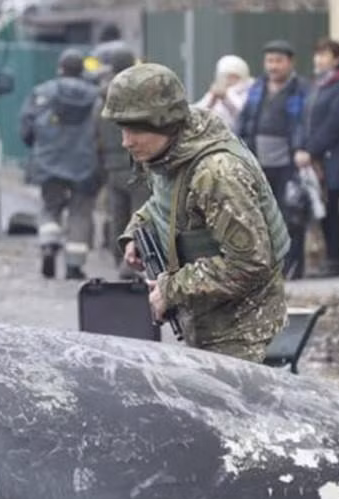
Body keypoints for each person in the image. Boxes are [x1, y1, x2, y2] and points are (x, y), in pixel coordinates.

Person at [103, 62, 291, 363]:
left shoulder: (217, 173)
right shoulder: (170, 154)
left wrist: (171, 289)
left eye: (135, 129)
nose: (126, 141)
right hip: (207, 325)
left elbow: (250, 263)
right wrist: (137, 230)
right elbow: (167, 203)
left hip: (242, 335)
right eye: (122, 129)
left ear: (163, 121)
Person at [19, 48, 102, 280]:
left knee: (50, 206)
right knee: (80, 213)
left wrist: (34, 145)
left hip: (49, 160)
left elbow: (26, 125)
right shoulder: (96, 97)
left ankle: (48, 243)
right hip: (85, 163)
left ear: (60, 68)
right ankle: (74, 265)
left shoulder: (42, 92)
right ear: (82, 70)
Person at [235, 39, 308, 278]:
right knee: (261, 216)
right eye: (269, 61)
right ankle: (268, 267)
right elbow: (245, 120)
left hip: (289, 164)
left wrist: (303, 149)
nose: (273, 66)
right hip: (259, 163)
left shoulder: (301, 90)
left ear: (290, 62)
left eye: (278, 61)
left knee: (291, 216)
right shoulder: (258, 88)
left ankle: (293, 267)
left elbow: (306, 124)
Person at [296, 37, 339, 278]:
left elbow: (335, 123)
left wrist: (311, 150)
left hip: (332, 158)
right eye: (317, 54)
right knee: (319, 210)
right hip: (312, 159)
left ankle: (335, 261)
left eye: (324, 55)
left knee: (331, 209)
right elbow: (305, 120)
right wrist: (302, 148)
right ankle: (324, 259)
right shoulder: (317, 85)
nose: (318, 59)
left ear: (337, 59)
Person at [95, 44, 151, 272]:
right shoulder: (142, 93)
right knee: (140, 215)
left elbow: (95, 132)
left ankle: (119, 261)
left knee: (117, 214)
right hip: (138, 164)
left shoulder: (102, 96)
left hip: (112, 164)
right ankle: (134, 265)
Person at [192, 55, 253, 131]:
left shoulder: (250, 91)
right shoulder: (216, 92)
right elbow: (196, 113)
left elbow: (245, 114)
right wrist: (212, 99)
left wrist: (226, 97)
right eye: (226, 76)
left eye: (234, 76)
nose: (229, 80)